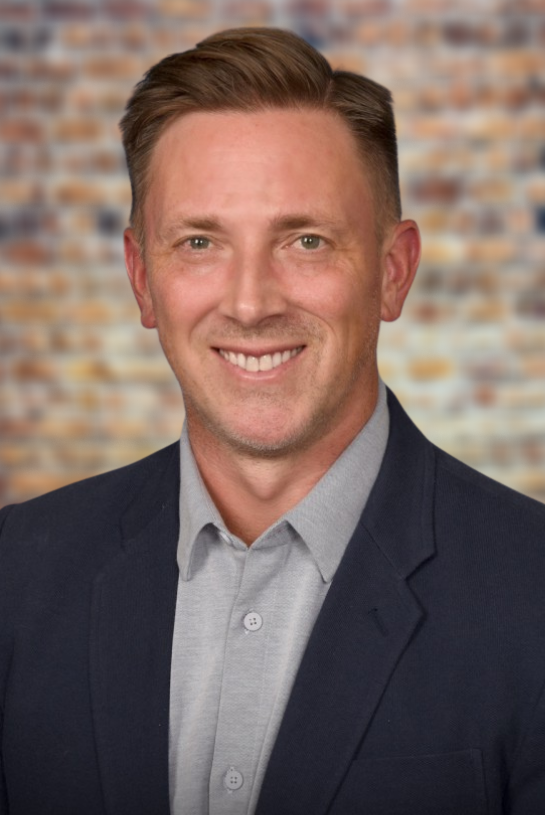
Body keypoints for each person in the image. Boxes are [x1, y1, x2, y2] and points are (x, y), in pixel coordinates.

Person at [1, 26, 544, 815]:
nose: (251, 302)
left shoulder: (532, 591)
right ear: (142, 280)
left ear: (392, 273)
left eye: (306, 241)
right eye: (199, 242)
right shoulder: (15, 577)